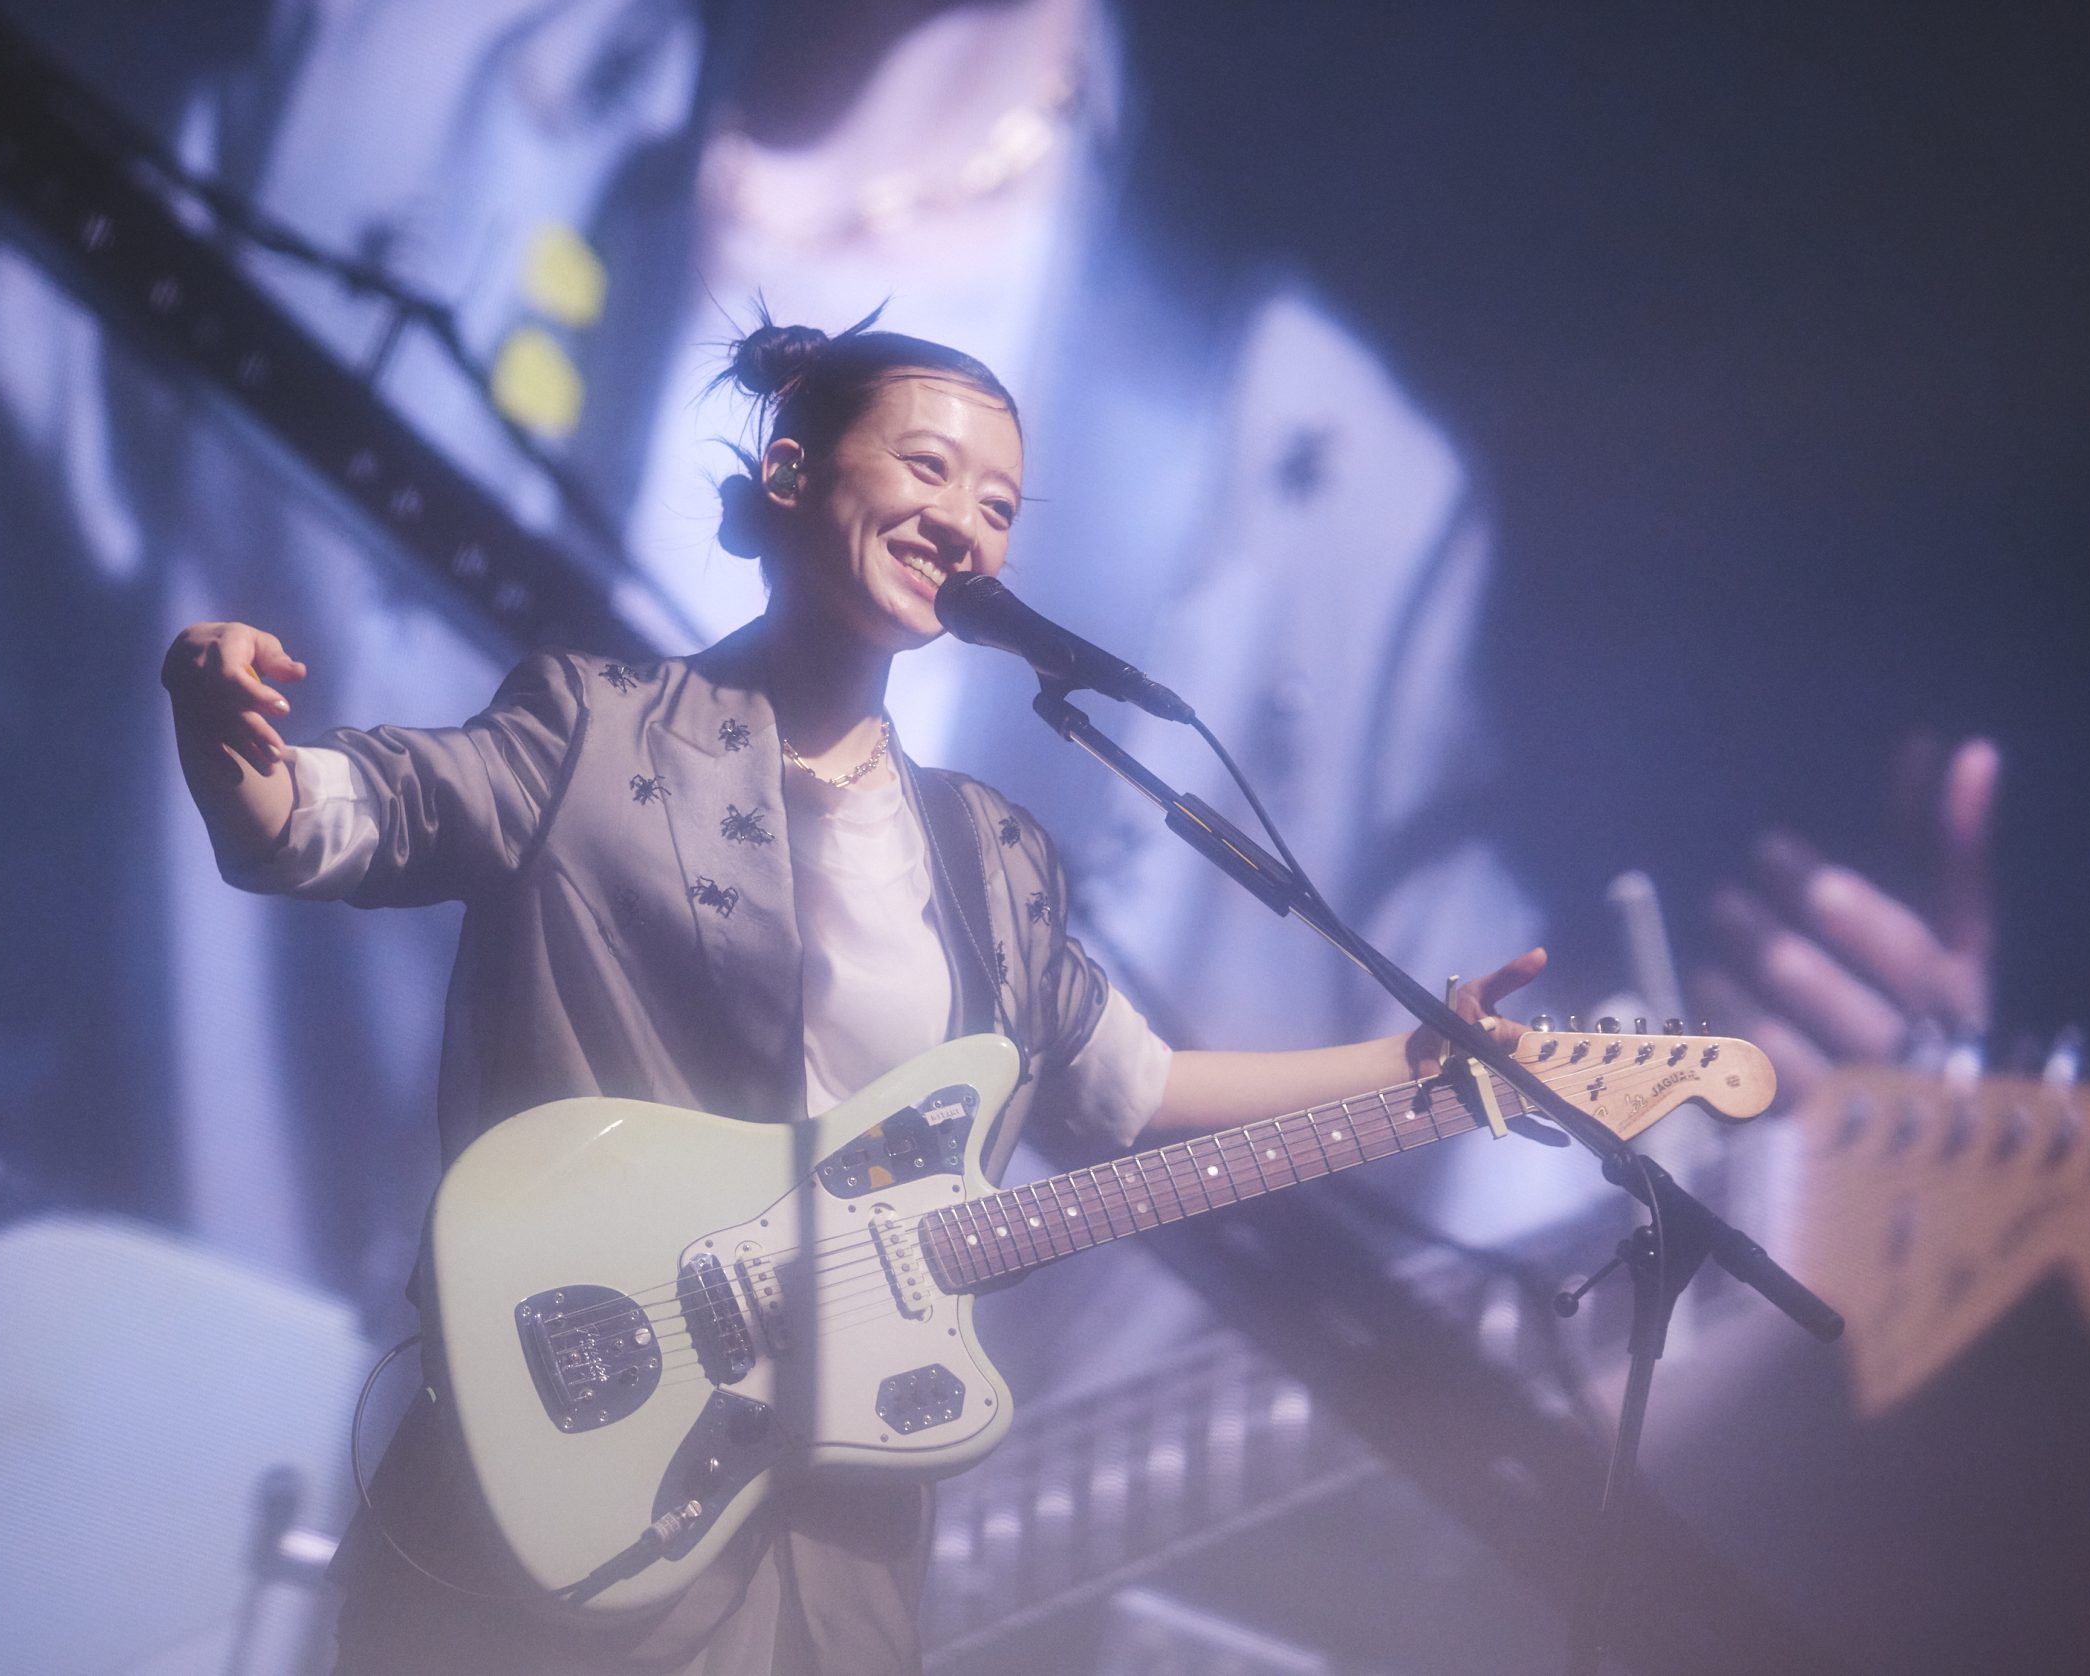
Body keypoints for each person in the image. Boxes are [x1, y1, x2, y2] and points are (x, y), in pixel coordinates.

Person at [162, 317, 1547, 1674]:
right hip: (568, 1482)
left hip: (833, 1556)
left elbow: (1139, 1089)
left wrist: (1414, 1062)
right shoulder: (593, 732)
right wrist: (228, 739)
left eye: (998, 503)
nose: (965, 521)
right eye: (931, 470)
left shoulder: (991, 857)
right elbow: (336, 820)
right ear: (792, 476)